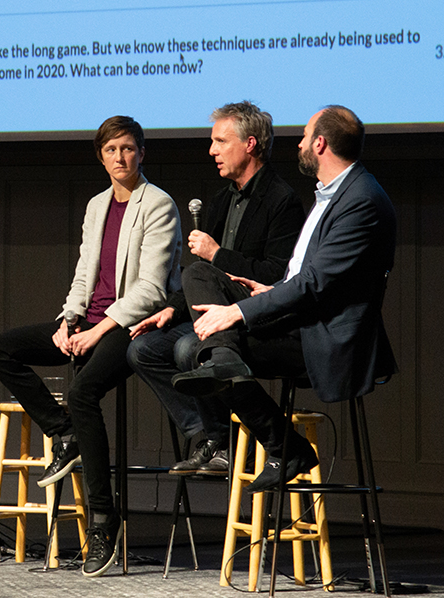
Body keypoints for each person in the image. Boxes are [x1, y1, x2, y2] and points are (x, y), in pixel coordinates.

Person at [0, 116, 182, 577]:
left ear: (141, 153)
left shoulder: (159, 204)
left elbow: (151, 289)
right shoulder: (96, 205)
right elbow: (83, 274)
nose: (120, 158)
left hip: (131, 329)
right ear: (101, 156)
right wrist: (68, 320)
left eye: (128, 149)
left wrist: (98, 330)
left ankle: (103, 521)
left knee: (83, 391)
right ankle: (64, 432)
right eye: (111, 150)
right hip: (88, 321)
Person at [171, 105, 397, 492]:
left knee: (194, 347)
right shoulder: (333, 194)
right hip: (300, 317)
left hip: (324, 336)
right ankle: (272, 426)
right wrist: (270, 292)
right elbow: (305, 279)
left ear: (321, 144)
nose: (300, 143)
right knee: (198, 274)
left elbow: (312, 284)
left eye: (306, 136)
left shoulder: (359, 200)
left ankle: (283, 443)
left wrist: (238, 312)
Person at [126, 101, 304, 476]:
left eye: (221, 141)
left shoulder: (282, 200)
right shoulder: (224, 199)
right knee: (143, 349)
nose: (212, 151)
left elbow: (275, 275)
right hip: (214, 315)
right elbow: (202, 274)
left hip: (255, 313)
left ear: (251, 144)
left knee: (190, 346)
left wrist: (217, 253)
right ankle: (216, 437)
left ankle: (259, 433)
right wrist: (172, 308)